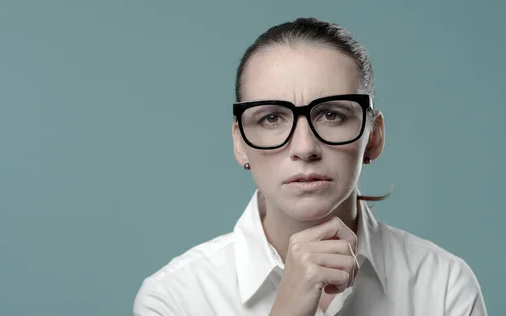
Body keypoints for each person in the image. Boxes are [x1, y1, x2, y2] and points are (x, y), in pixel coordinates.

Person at [133, 17, 487, 316]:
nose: (304, 148)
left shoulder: (442, 286)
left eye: (332, 114)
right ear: (240, 142)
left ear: (373, 136)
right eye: (272, 118)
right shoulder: (174, 299)